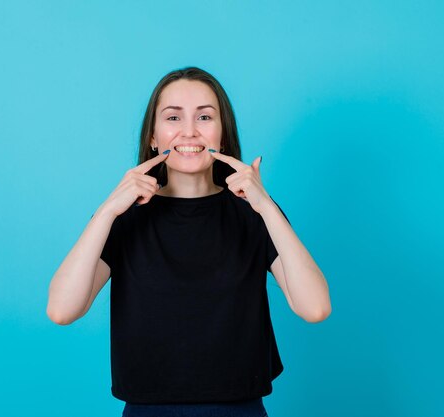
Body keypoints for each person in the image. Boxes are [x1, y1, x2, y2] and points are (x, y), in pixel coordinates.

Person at [47, 67, 332, 417]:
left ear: (223, 133)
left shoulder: (253, 214)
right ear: (153, 136)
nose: (189, 131)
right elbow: (62, 310)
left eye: (205, 116)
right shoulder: (125, 218)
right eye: (172, 117)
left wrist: (265, 205)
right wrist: (107, 211)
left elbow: (315, 308)